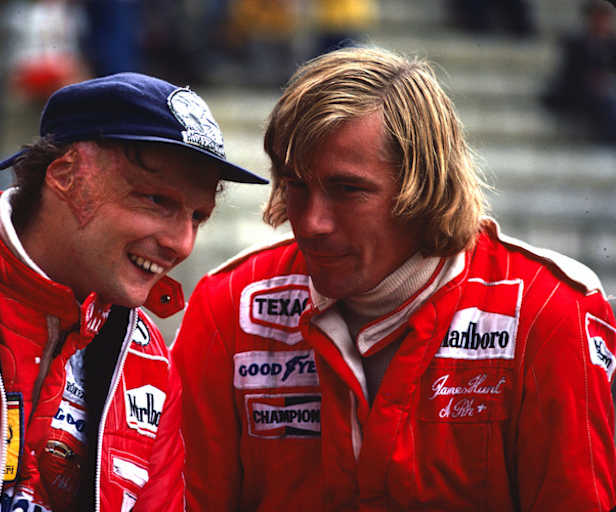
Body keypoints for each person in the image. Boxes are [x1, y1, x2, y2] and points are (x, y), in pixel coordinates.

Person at [171, 46, 616, 511]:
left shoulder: (547, 312)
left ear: (423, 186)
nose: (312, 222)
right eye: (296, 186)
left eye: (347, 190)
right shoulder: (230, 307)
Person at [0, 72, 267, 512]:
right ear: (67, 175)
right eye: (157, 201)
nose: (181, 243)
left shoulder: (147, 360)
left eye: (198, 217)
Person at [541, 0, 616, 143]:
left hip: (606, 91)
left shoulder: (611, 43)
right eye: (599, 17)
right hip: (580, 92)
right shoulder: (575, 43)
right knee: (606, 102)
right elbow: (569, 74)